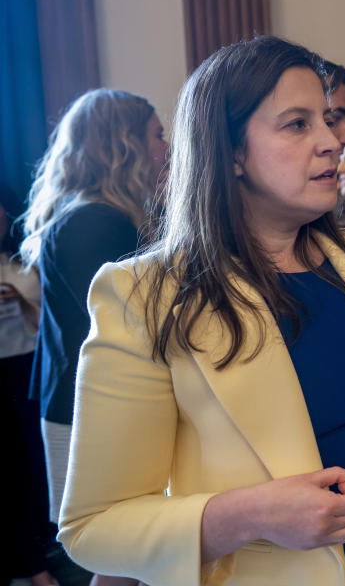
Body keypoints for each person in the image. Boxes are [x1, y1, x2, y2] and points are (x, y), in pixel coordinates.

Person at [57, 36, 345, 586]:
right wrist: (249, 515)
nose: (331, 142)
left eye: (330, 118)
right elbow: (94, 526)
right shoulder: (144, 295)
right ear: (232, 151)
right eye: (297, 124)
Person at [19, 87, 169, 585]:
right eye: (156, 135)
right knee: (99, 547)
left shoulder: (94, 215)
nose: (166, 148)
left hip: (80, 400)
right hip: (86, 407)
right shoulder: (95, 223)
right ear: (123, 144)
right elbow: (117, 332)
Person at [0, 196, 54, 586]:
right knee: (12, 465)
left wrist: (20, 304)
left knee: (38, 459)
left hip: (31, 365)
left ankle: (48, 542)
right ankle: (30, 562)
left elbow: (48, 324)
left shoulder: (25, 260)